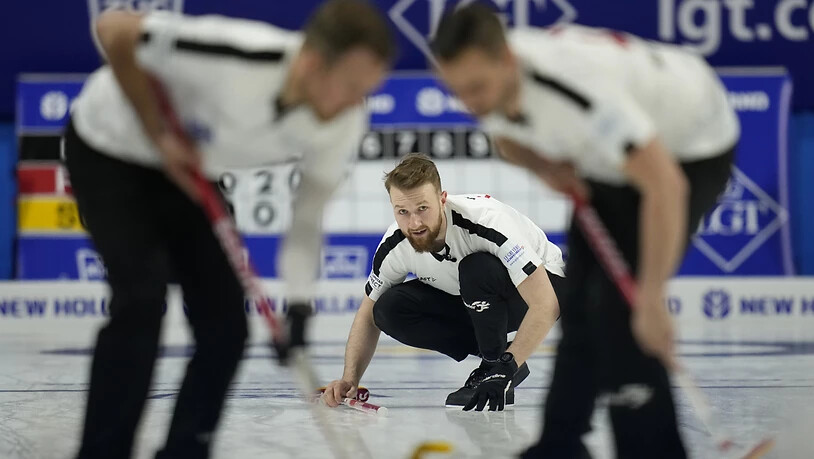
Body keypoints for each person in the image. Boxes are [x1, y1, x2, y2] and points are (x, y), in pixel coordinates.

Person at [62, 2, 395, 458]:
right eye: (352, 86)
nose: (358, 103)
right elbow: (114, 29)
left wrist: (298, 306)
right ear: (313, 63)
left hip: (191, 172)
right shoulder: (238, 54)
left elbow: (307, 217)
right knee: (140, 299)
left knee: (226, 328)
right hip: (111, 150)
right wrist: (158, 133)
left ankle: (184, 450)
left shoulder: (343, 119)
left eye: (368, 90)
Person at [431, 4, 738, 457]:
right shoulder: (489, 85)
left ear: (509, 61)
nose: (471, 103)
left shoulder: (573, 90)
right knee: (578, 302)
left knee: (621, 311)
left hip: (690, 143)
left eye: (476, 89)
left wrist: (651, 296)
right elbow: (506, 138)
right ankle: (561, 442)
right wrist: (546, 167)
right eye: (459, 92)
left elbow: (665, 185)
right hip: (614, 152)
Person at [321, 154, 565, 412]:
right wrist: (350, 379)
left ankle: (494, 365)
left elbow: (546, 304)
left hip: (543, 286)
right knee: (387, 308)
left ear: (442, 199)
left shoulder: (485, 222)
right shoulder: (395, 244)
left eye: (422, 209)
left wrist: (506, 367)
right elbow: (367, 314)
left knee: (475, 268)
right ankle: (497, 354)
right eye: (402, 212)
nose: (414, 223)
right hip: (469, 296)